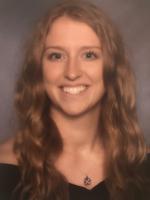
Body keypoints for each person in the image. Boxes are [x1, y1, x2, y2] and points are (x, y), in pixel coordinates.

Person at [0, 0, 149, 199]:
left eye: (89, 55)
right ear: (38, 69)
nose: (72, 73)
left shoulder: (143, 162)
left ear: (112, 68)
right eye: (56, 56)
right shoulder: (4, 166)